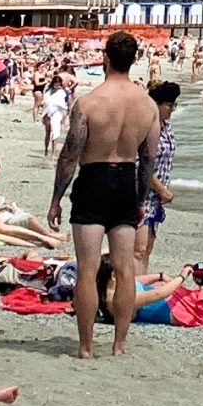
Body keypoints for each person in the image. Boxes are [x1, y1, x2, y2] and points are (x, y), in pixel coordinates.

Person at [48, 30, 159, 358]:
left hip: (94, 179)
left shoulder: (88, 103)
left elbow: (70, 155)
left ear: (105, 59)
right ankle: (119, 343)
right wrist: (141, 200)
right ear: (134, 60)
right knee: (125, 268)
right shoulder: (148, 106)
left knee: (88, 267)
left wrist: (56, 200)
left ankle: (85, 346)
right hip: (126, 180)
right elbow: (148, 159)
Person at [138, 78, 181, 266]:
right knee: (138, 250)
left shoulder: (166, 126)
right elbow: (139, 163)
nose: (172, 109)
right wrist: (162, 189)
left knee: (147, 249)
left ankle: (141, 282)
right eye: (169, 105)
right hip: (140, 194)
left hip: (155, 197)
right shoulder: (145, 126)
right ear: (156, 104)